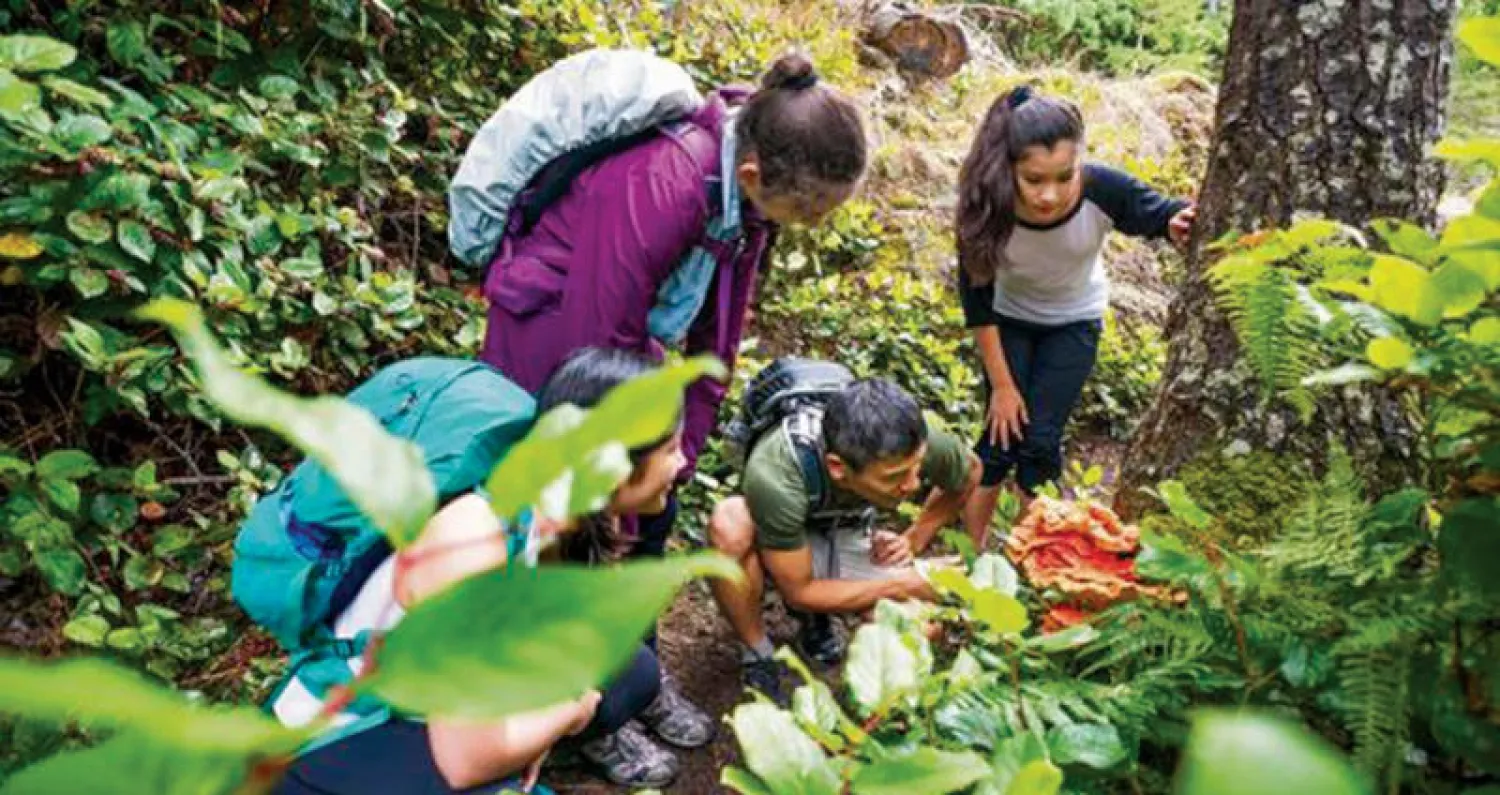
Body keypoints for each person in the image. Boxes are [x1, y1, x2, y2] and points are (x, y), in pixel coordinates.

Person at [268, 350, 693, 793]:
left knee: (628, 670)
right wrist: (568, 713)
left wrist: (537, 735)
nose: (681, 463)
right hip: (347, 726)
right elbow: (464, 762)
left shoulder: (555, 507)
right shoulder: (474, 542)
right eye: (669, 449)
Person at [953, 85, 1196, 542]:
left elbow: (1159, 213)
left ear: (1080, 162)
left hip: (1073, 322)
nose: (1050, 194)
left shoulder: (1102, 188)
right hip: (1007, 322)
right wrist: (1002, 387)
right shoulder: (986, 205)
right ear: (1009, 169)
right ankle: (972, 555)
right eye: (1034, 179)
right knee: (998, 440)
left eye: (1064, 177)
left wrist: (1178, 220)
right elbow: (978, 304)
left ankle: (1038, 560)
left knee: (1039, 444)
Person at [706, 378, 981, 701]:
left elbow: (970, 472)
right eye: (894, 477)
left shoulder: (908, 443)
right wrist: (905, 582)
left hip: (846, 528)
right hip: (778, 530)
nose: (912, 484)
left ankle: (867, 705)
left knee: (920, 627)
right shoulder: (777, 473)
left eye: (917, 468)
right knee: (730, 523)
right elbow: (799, 591)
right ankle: (759, 653)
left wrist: (914, 539)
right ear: (837, 467)